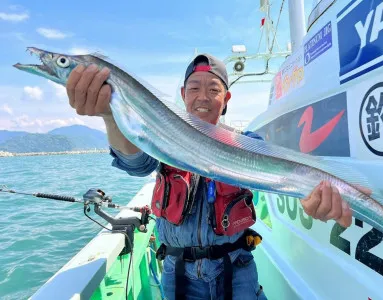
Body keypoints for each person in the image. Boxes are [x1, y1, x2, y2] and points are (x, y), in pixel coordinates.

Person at [66, 54, 353, 300]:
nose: (202, 97)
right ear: (183, 94)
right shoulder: (164, 135)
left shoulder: (247, 143)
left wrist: (312, 199)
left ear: (225, 99)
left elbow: (282, 178)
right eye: (194, 88)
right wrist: (109, 115)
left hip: (236, 270)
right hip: (179, 276)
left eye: (213, 89)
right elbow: (136, 164)